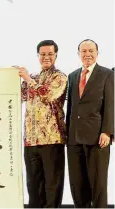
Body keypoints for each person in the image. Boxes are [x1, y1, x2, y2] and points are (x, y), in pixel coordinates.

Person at [17, 40, 67, 208]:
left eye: (50, 54)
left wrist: (27, 79)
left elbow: (47, 94)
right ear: (38, 56)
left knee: (52, 186)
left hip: (52, 140)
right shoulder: (34, 77)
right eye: (43, 54)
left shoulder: (60, 77)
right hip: (31, 140)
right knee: (33, 186)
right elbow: (16, 96)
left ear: (56, 56)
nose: (46, 57)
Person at [66, 39, 114, 208]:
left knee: (98, 185)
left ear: (97, 52)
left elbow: (110, 104)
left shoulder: (107, 74)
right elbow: (71, 108)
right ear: (78, 54)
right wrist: (68, 135)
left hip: (97, 138)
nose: (87, 54)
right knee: (77, 185)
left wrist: (107, 131)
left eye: (91, 50)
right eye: (83, 51)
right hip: (74, 139)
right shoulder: (72, 76)